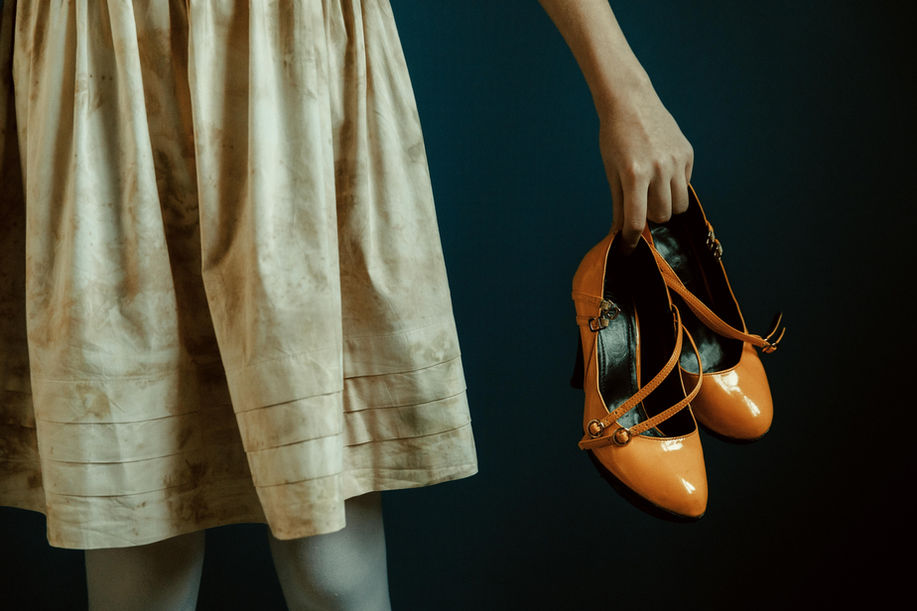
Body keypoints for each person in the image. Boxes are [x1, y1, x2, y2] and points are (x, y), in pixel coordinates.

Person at [0, 1, 692, 609]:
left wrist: (623, 89)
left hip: (291, 73)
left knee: (331, 566)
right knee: (136, 550)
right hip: (92, 69)